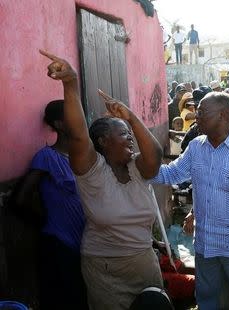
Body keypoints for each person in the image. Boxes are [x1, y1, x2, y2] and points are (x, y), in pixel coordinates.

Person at [39, 50, 164, 310]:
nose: (130, 137)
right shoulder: (92, 172)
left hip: (144, 265)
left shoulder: (138, 168)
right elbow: (77, 135)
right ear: (103, 142)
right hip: (105, 269)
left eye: (130, 133)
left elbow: (156, 157)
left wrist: (130, 117)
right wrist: (70, 83)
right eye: (123, 133)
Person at [152, 92, 229, 309]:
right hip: (205, 246)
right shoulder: (196, 147)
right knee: (207, 301)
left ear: (223, 115)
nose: (196, 116)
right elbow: (171, 174)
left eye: (202, 112)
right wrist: (141, 165)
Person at [12, 100, 88, 310]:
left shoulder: (85, 157)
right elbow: (19, 200)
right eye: (73, 117)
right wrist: (43, 222)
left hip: (87, 243)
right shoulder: (47, 157)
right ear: (60, 125)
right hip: (59, 244)